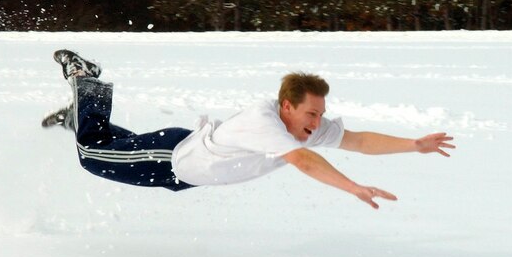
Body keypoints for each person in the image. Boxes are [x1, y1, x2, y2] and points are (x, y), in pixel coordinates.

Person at [43, 49, 455, 209]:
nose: (318, 123)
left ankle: (80, 116)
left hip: (182, 167)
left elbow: (358, 140)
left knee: (110, 146)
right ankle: (86, 82)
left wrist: (414, 145)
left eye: (321, 114)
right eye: (312, 114)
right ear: (287, 106)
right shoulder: (267, 123)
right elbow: (305, 163)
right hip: (169, 160)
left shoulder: (304, 129)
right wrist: (353, 188)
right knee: (91, 156)